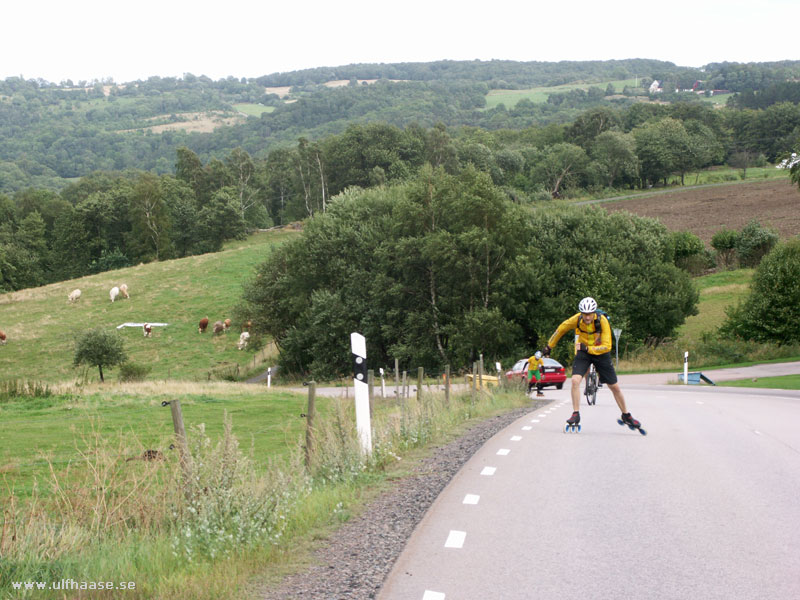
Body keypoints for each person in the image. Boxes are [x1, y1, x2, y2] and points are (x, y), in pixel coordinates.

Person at [542, 297, 643, 431]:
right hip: (583, 353)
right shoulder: (577, 319)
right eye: (584, 314)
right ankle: (575, 414)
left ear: (594, 312)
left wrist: (589, 349)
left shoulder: (602, 321)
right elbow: (561, 329)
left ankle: (626, 415)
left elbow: (607, 346)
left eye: (589, 314)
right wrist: (549, 346)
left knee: (615, 387)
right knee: (574, 381)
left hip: (600, 352)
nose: (587, 317)